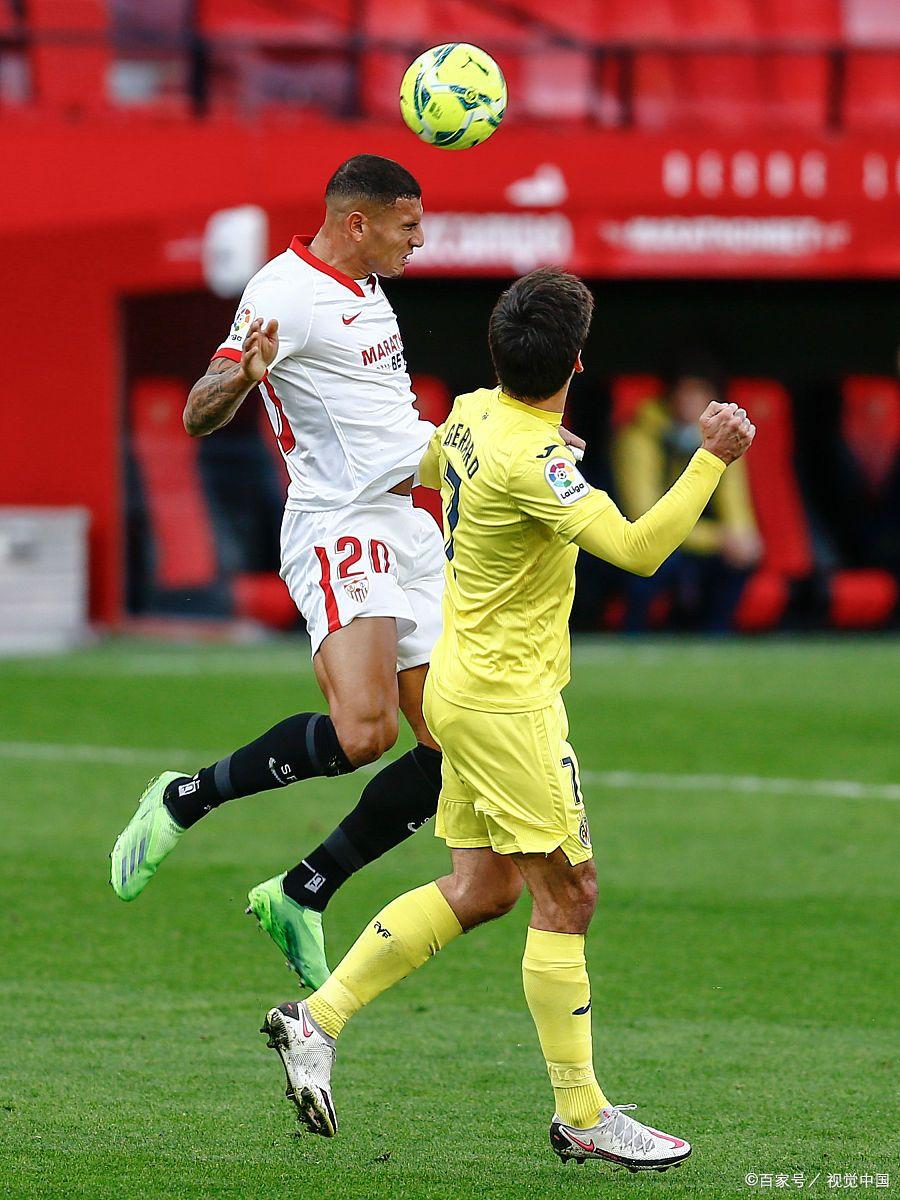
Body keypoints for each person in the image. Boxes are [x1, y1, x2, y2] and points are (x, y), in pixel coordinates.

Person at [260, 269, 755, 1170]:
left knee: (484, 888)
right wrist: (712, 456)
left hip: (459, 683)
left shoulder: (469, 414)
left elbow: (429, 465)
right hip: (507, 707)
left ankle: (315, 1019)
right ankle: (582, 1114)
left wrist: (524, 449)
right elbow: (638, 550)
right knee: (570, 894)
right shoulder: (538, 460)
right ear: (577, 363)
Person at [109, 157, 584, 987]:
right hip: (339, 526)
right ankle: (186, 797)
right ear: (358, 222)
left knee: (456, 741)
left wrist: (507, 444)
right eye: (408, 224)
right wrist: (244, 376)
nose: (420, 238)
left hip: (411, 525)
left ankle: (303, 890)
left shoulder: (368, 285)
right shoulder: (285, 291)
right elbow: (196, 411)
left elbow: (382, 423)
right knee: (366, 733)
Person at [611, 359, 762, 632]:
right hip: (648, 542)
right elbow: (642, 517)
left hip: (699, 546)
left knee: (739, 560)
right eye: (685, 390)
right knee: (653, 562)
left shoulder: (726, 438)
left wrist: (741, 538)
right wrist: (718, 539)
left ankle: (714, 638)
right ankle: (632, 635)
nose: (690, 401)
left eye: (700, 392)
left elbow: (736, 509)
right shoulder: (641, 434)